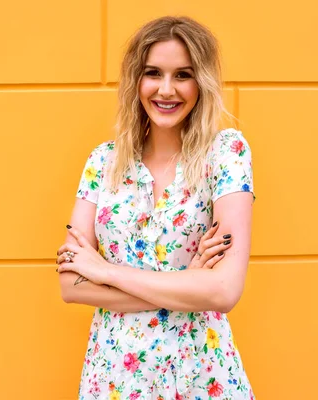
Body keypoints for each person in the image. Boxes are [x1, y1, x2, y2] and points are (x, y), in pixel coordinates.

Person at [56, 16, 255, 400]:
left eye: (183, 74)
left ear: (203, 83)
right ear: (136, 80)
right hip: (114, 379)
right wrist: (187, 283)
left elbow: (224, 289)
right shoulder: (103, 162)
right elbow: (70, 284)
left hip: (201, 375)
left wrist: (105, 271)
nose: (166, 90)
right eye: (153, 73)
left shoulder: (225, 155)